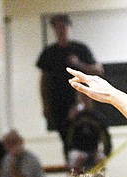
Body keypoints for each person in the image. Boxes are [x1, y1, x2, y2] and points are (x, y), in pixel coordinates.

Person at [36, 13, 103, 147]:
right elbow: (43, 80)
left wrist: (79, 64)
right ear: (54, 30)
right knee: (68, 142)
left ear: (69, 27)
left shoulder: (80, 49)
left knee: (89, 140)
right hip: (58, 105)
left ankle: (91, 165)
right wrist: (44, 105)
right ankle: (73, 167)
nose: (61, 30)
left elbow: (98, 70)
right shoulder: (49, 53)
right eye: (57, 27)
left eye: (63, 26)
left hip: (82, 102)